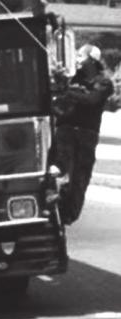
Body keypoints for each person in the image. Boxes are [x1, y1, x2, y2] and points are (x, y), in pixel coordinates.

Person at [54, 44, 113, 225]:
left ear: (92, 60)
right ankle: (55, 211)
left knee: (79, 177)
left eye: (81, 56)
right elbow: (59, 101)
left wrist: (68, 92)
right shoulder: (72, 79)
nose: (77, 60)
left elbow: (92, 100)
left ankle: (68, 215)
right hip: (65, 132)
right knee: (60, 173)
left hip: (86, 136)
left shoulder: (103, 82)